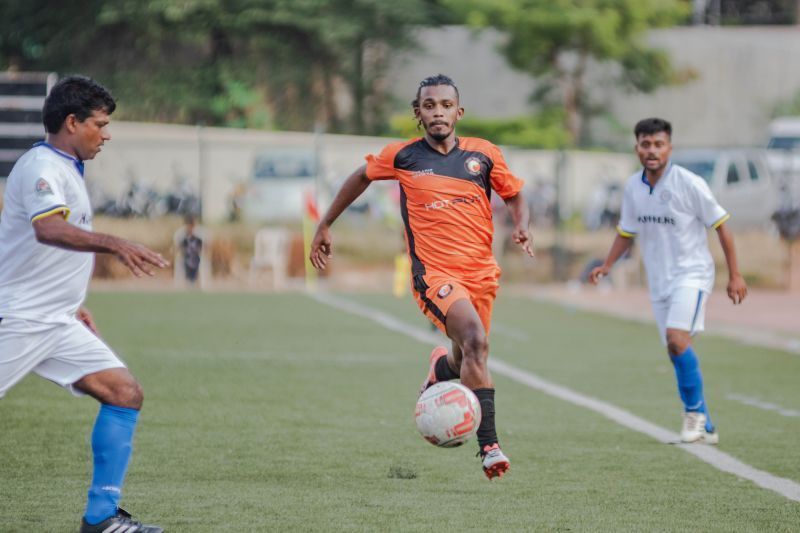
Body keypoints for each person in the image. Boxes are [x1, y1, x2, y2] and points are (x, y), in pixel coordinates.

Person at [310, 74, 534, 479]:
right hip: (435, 275)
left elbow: (514, 193)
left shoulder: (483, 155)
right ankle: (489, 446)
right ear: (418, 113)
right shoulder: (404, 157)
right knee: (476, 342)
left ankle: (441, 370)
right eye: (428, 105)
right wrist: (325, 223)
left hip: (481, 274)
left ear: (458, 112)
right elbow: (361, 177)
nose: (437, 112)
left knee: (467, 354)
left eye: (445, 105)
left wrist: (521, 224)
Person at [0, 76, 168, 532]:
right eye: (101, 124)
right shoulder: (42, 166)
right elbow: (48, 230)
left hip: (56, 319)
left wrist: (70, 303)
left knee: (124, 392)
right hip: (20, 318)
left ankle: (101, 519)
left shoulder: (66, 167)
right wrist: (115, 243)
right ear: (72, 123)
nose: (107, 134)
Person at [589, 117, 747, 444]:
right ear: (637, 148)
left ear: (669, 148)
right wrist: (606, 265)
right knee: (677, 350)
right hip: (659, 280)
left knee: (677, 339)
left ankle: (693, 416)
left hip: (692, 273)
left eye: (658, 144)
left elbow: (721, 226)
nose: (652, 150)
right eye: (646, 144)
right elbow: (626, 232)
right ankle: (706, 423)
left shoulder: (690, 184)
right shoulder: (633, 186)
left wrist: (735, 274)